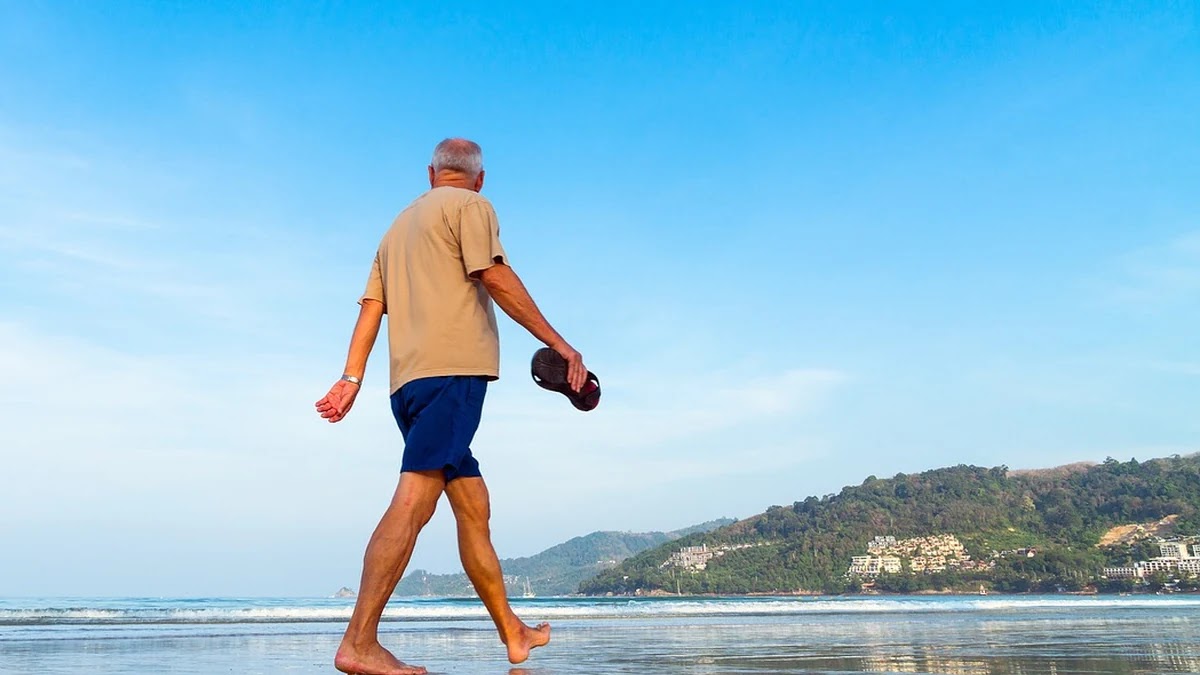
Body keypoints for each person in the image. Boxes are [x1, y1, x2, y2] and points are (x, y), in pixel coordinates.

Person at [315, 138, 588, 675]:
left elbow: (372, 310)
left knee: (472, 506)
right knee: (415, 501)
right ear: (479, 178)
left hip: (407, 386)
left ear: (431, 173)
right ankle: (359, 642)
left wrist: (351, 377)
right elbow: (494, 275)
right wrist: (561, 344)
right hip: (453, 375)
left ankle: (513, 632)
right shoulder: (473, 207)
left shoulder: (395, 230)